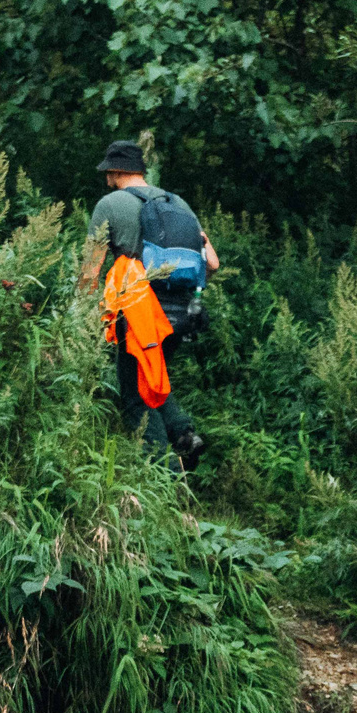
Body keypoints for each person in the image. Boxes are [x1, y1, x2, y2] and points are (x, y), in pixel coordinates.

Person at [76, 140, 216, 469]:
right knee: (152, 377)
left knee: (137, 398)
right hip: (182, 313)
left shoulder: (110, 204)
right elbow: (212, 262)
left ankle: (165, 478)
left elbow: (89, 272)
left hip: (139, 311)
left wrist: (80, 315)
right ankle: (184, 433)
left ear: (114, 171)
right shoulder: (176, 202)